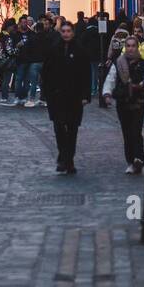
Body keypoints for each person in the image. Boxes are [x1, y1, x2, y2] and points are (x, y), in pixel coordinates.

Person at [40, 20, 92, 174]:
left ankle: (68, 159)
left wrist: (85, 95)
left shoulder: (80, 51)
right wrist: (47, 93)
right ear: (60, 32)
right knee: (59, 128)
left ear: (73, 32)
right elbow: (46, 73)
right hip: (57, 96)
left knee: (72, 129)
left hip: (74, 96)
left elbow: (85, 74)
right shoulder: (54, 50)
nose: (66, 34)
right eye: (64, 31)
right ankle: (64, 157)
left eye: (69, 31)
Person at [102, 35, 144, 173]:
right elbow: (111, 79)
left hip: (138, 102)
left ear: (137, 47)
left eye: (133, 46)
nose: (131, 49)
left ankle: (139, 159)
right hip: (123, 102)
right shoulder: (118, 63)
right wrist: (107, 94)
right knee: (127, 132)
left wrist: (143, 84)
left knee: (136, 131)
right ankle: (131, 160)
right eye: (128, 46)